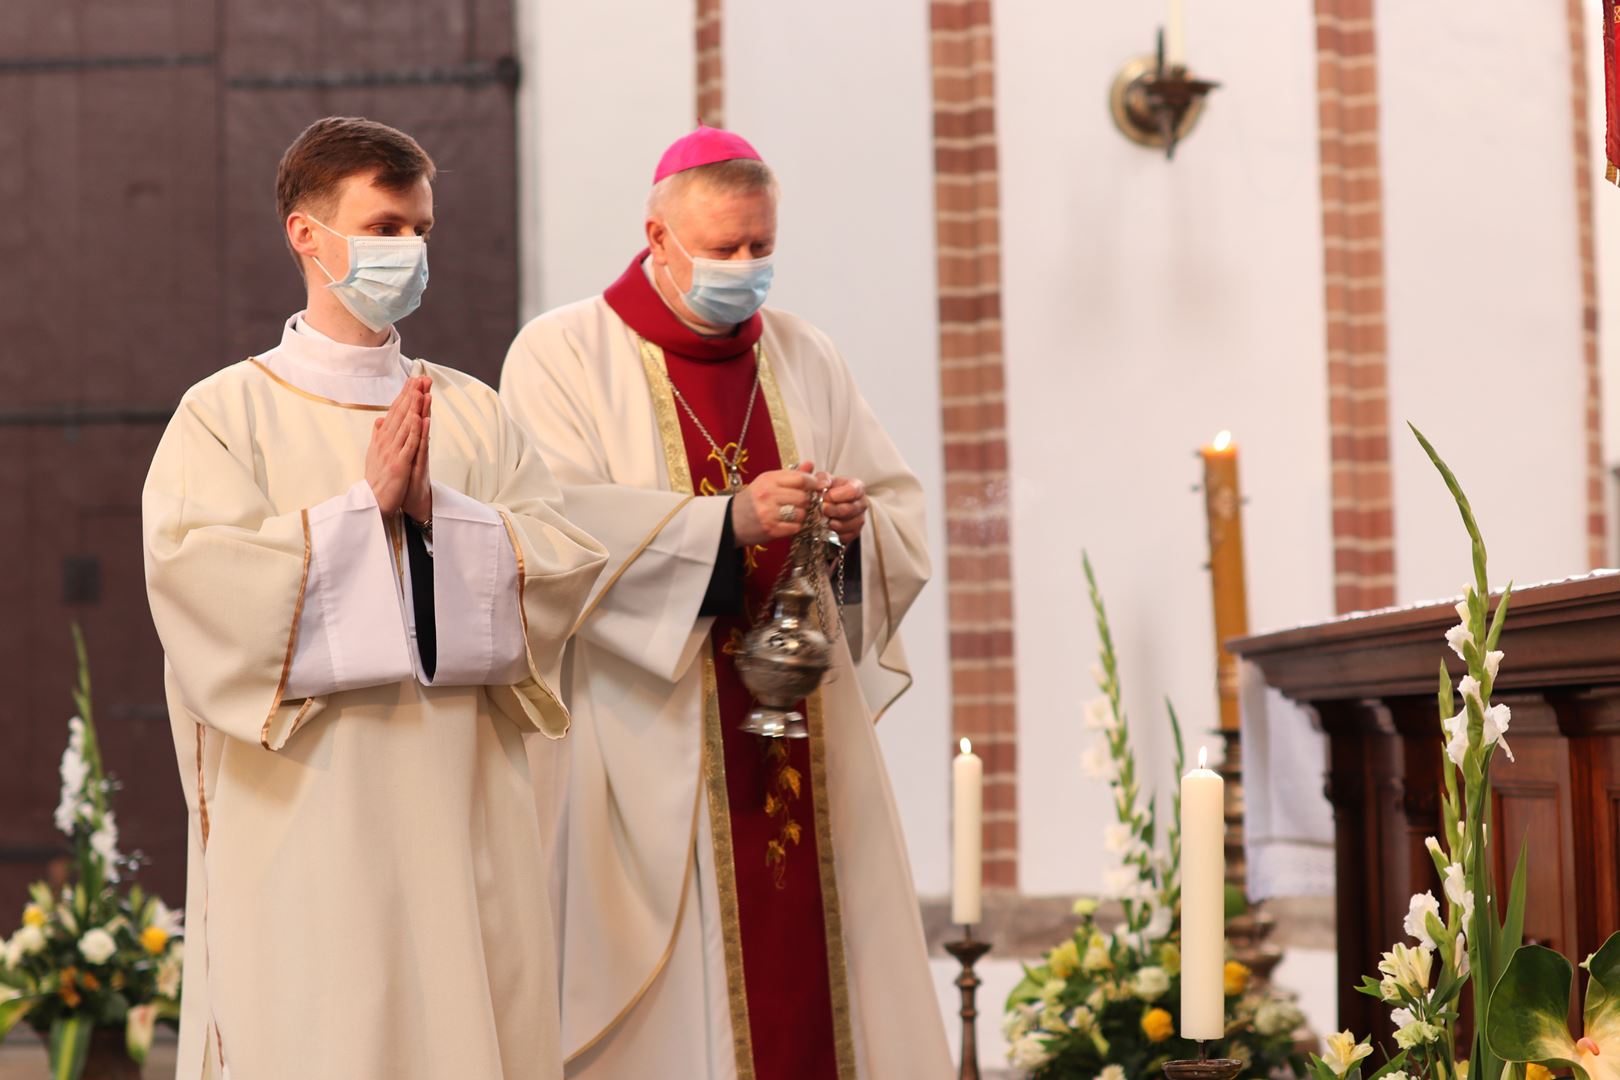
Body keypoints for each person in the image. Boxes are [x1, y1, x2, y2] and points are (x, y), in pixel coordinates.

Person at [141, 116, 606, 1080]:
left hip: (462, 817)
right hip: (311, 833)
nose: (408, 252)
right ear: (306, 235)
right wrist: (362, 517)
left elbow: (563, 572)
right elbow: (200, 592)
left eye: (421, 231)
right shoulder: (224, 415)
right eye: (386, 226)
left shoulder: (473, 411)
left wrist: (444, 519)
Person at [500, 126, 950, 1079]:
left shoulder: (803, 352)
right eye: (722, 249)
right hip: (647, 733)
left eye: (760, 247)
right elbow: (548, 530)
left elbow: (899, 505)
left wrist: (857, 526)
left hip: (803, 721)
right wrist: (724, 524)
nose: (745, 270)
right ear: (657, 238)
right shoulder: (563, 353)